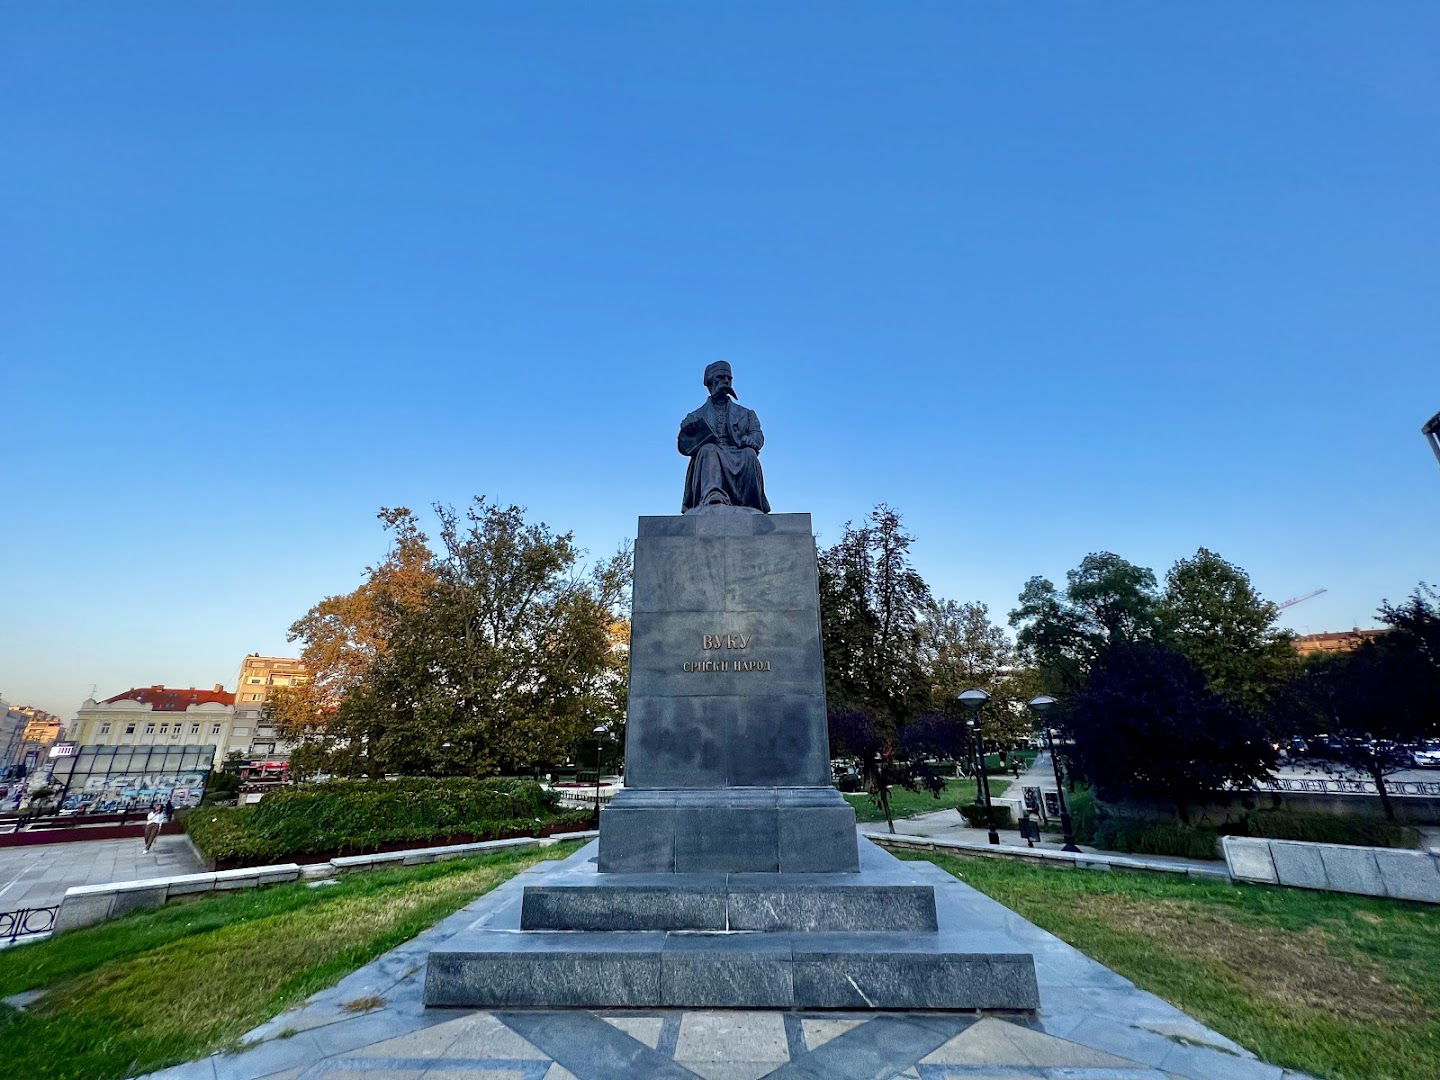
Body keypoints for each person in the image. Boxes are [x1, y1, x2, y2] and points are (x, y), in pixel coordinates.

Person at [677, 361, 770, 513]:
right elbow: (684, 447)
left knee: (749, 454)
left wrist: (751, 441)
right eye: (721, 377)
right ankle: (713, 496)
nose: (726, 381)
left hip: (737, 452)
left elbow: (757, 435)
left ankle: (750, 502)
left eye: (729, 378)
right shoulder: (696, 416)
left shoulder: (746, 414)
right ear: (708, 382)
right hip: (710, 455)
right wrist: (687, 431)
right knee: (709, 450)